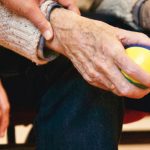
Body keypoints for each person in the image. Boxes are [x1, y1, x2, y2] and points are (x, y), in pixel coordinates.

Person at [1, 0, 150, 149]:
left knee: (98, 47)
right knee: (90, 59)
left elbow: (90, 3)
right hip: (13, 48)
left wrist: (139, 10)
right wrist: (60, 23)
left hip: (78, 22)